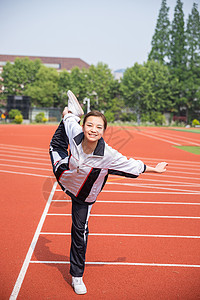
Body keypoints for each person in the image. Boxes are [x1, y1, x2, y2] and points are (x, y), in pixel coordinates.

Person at [49, 90, 168, 295]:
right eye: (89, 125)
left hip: (83, 196)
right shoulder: (75, 131)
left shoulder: (108, 155)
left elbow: (131, 164)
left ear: (104, 131)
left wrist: (154, 169)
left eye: (98, 127)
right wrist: (68, 115)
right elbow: (70, 123)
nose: (93, 130)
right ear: (83, 126)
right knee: (55, 145)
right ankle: (72, 112)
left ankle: (77, 276)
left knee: (79, 232)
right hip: (65, 174)